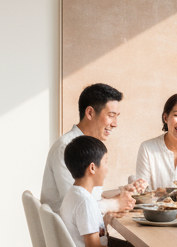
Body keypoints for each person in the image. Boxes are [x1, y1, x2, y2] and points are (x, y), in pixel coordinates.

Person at [41, 83, 143, 213]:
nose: (115, 124)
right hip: (72, 232)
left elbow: (91, 197)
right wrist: (116, 204)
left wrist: (122, 192)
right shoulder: (67, 148)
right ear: (90, 113)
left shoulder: (87, 147)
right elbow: (77, 205)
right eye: (111, 115)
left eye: (117, 116)